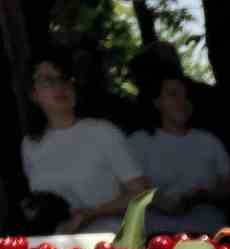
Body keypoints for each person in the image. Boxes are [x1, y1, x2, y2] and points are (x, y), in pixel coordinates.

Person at [20, 51, 151, 234]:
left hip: (109, 247)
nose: (60, 86)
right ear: (33, 93)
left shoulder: (104, 132)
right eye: (48, 80)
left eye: (65, 79)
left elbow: (141, 193)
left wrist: (93, 213)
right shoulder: (30, 144)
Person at [131, 73, 230, 235]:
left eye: (187, 96)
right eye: (173, 94)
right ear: (157, 102)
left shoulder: (209, 141)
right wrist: (162, 202)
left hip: (207, 235)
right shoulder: (140, 142)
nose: (182, 101)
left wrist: (204, 195)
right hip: (158, 237)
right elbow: (130, 188)